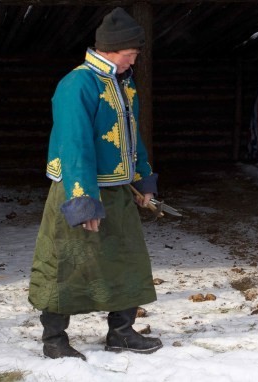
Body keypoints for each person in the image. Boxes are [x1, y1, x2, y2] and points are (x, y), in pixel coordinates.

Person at [28, 7, 162, 360]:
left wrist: (142, 180)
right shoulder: (77, 84)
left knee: (128, 260)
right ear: (109, 49)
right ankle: (54, 341)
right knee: (67, 265)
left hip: (118, 190)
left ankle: (121, 333)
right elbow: (75, 146)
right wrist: (84, 202)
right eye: (129, 54)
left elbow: (132, 136)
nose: (133, 61)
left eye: (135, 54)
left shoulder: (124, 82)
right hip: (78, 188)